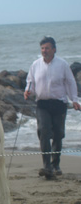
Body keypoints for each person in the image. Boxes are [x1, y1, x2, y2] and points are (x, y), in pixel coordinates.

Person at [24, 36, 80, 179]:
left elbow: (70, 83)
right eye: (42, 48)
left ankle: (56, 164)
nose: (44, 51)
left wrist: (74, 99)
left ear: (54, 49)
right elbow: (30, 81)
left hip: (59, 104)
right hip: (42, 104)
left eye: (47, 48)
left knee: (58, 135)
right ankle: (46, 166)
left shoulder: (62, 64)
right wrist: (27, 91)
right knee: (44, 132)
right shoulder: (35, 65)